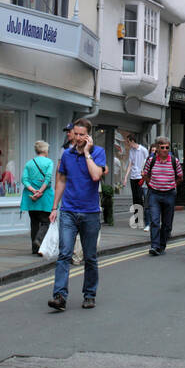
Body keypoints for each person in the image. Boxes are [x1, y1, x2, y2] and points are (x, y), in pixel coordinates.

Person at [48, 119, 107, 311]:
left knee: (90, 256)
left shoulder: (98, 152)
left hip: (90, 213)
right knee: (64, 254)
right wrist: (55, 207)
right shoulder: (66, 155)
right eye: (76, 134)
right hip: (69, 211)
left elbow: (96, 176)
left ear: (89, 135)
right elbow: (62, 181)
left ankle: (89, 295)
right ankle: (59, 296)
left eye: (83, 134)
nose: (79, 137)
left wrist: (87, 153)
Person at [141, 136, 183, 255]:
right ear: (157, 149)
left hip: (169, 194)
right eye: (162, 147)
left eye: (167, 147)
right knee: (154, 221)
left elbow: (180, 177)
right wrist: (151, 185)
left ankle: (162, 245)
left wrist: (172, 185)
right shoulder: (151, 160)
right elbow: (146, 174)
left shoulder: (174, 161)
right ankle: (154, 246)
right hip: (154, 194)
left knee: (167, 224)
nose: (165, 149)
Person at [20, 140, 55, 255]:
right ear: (45, 150)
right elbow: (48, 178)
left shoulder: (29, 163)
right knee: (46, 222)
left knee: (34, 222)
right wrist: (40, 191)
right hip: (44, 197)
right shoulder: (49, 162)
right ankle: (39, 240)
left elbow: (24, 180)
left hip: (31, 197)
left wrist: (33, 190)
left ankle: (35, 249)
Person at [125, 133, 149, 231]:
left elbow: (148, 161)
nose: (128, 144)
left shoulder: (143, 150)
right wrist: (126, 177)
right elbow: (130, 164)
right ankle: (137, 218)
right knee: (135, 198)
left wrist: (145, 174)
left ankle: (143, 218)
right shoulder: (131, 151)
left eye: (128, 142)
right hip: (133, 177)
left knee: (140, 197)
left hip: (140, 176)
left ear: (132, 141)